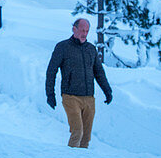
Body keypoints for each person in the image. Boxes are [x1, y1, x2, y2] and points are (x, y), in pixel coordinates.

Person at [46, 18, 112, 148]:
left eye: (87, 31)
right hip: (71, 97)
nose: (84, 33)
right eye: (82, 30)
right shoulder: (63, 47)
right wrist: (50, 94)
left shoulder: (91, 49)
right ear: (74, 29)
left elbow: (99, 72)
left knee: (86, 137)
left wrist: (107, 91)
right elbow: (51, 71)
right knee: (77, 132)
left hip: (89, 98)